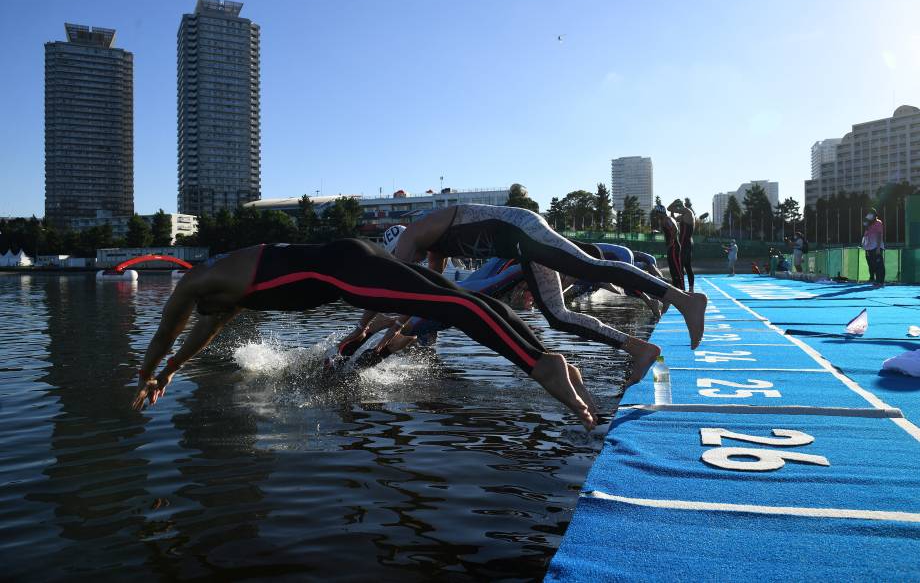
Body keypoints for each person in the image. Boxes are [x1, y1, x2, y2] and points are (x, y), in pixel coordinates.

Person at [131, 240, 597, 430]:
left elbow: (163, 335)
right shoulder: (223, 296)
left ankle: (539, 364)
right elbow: (197, 337)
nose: (211, 319)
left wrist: (147, 374)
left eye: (206, 316)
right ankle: (545, 356)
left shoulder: (196, 283)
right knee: (455, 295)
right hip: (349, 259)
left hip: (341, 270)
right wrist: (171, 371)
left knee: (450, 304)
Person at [348, 207, 706, 384]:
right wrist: (386, 327)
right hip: (520, 250)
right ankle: (639, 348)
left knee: (588, 267)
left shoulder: (413, 234)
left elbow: (387, 286)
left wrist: (362, 329)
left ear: (397, 249)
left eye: (398, 259)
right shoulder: (430, 247)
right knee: (557, 316)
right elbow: (425, 294)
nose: (402, 264)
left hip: (522, 230)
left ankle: (683, 299)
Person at [652, 204, 684, 290]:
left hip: (674, 246)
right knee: (672, 269)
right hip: (671, 247)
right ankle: (677, 288)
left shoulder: (667, 219)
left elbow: (675, 229)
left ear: (661, 212)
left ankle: (682, 288)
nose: (656, 215)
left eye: (657, 213)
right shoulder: (664, 220)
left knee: (676, 268)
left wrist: (671, 241)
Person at [668, 199, 696, 292]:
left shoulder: (687, 211)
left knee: (681, 266)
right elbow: (673, 219)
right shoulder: (684, 215)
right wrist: (672, 211)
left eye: (678, 207)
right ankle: (689, 288)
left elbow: (669, 208)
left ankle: (682, 289)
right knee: (686, 266)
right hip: (686, 242)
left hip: (685, 243)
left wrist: (673, 204)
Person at [862, 209, 885, 286]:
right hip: (870, 248)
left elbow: (879, 235)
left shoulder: (878, 223)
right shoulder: (869, 224)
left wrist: (878, 248)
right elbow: (866, 236)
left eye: (871, 214)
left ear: (874, 215)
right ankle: (875, 279)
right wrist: (866, 247)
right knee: (873, 265)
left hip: (876, 247)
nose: (869, 216)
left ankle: (880, 281)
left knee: (879, 265)